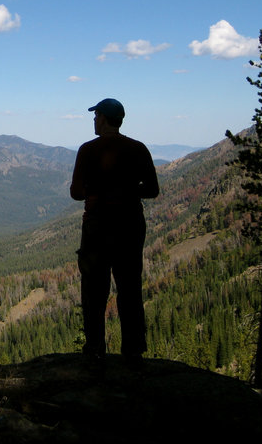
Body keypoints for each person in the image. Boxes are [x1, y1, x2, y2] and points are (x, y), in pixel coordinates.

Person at [70, 98, 159, 366]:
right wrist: (128, 190)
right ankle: (133, 350)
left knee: (94, 289)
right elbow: (153, 190)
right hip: (130, 224)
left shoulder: (87, 150)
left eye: (96, 116)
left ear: (104, 118)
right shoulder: (138, 149)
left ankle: (95, 348)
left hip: (97, 225)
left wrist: (97, 191)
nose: (94, 120)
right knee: (130, 286)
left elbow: (75, 193)